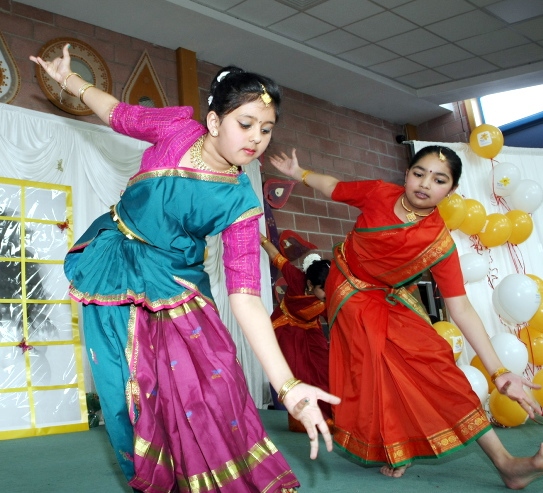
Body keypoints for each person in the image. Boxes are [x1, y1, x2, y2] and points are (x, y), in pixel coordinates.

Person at [30, 44, 340, 493]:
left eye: (267, 130)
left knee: (211, 391)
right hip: (117, 268)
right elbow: (116, 112)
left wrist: (289, 387)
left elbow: (246, 297)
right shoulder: (175, 128)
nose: (256, 138)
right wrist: (68, 81)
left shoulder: (241, 203)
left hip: (179, 288)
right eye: (246, 124)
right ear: (214, 121)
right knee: (128, 400)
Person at [269, 145, 543, 489]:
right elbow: (332, 186)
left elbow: (460, 307)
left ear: (452, 190)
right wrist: (300, 174)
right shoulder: (379, 193)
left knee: (435, 363)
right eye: (419, 173)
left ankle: (507, 465)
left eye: (439, 179)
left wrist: (500, 371)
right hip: (349, 288)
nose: (425, 183)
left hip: (388, 297)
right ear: (406, 174)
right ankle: (396, 447)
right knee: (385, 364)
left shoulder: (439, 245)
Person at [260, 233, 332, 431]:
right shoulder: (296, 278)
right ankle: (303, 420)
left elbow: (336, 322)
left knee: (324, 369)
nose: (330, 294)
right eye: (324, 289)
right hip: (286, 326)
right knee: (298, 371)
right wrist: (259, 237)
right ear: (310, 285)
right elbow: (275, 256)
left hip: (311, 329)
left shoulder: (330, 297)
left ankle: (327, 416)